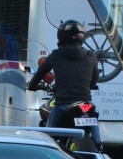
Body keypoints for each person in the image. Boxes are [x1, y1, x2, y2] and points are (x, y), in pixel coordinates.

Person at [25, 19, 101, 147]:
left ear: (61, 36)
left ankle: (48, 148)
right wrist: (91, 85)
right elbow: (94, 80)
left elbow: (39, 74)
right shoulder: (91, 56)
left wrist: (32, 86)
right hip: (85, 104)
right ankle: (98, 144)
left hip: (63, 105)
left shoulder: (56, 55)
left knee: (48, 140)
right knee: (92, 117)